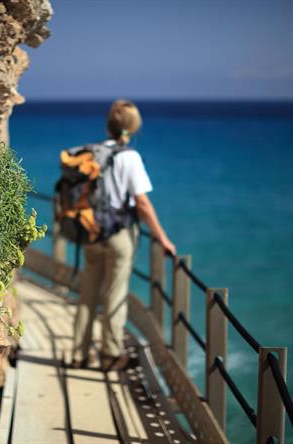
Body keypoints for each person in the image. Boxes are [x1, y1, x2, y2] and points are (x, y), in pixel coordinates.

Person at [71, 99, 176, 370]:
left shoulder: (91, 152)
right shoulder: (130, 157)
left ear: (109, 126)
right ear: (134, 129)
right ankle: (110, 355)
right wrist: (162, 237)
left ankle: (78, 354)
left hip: (92, 232)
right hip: (119, 234)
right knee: (114, 295)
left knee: (88, 295)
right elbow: (141, 203)